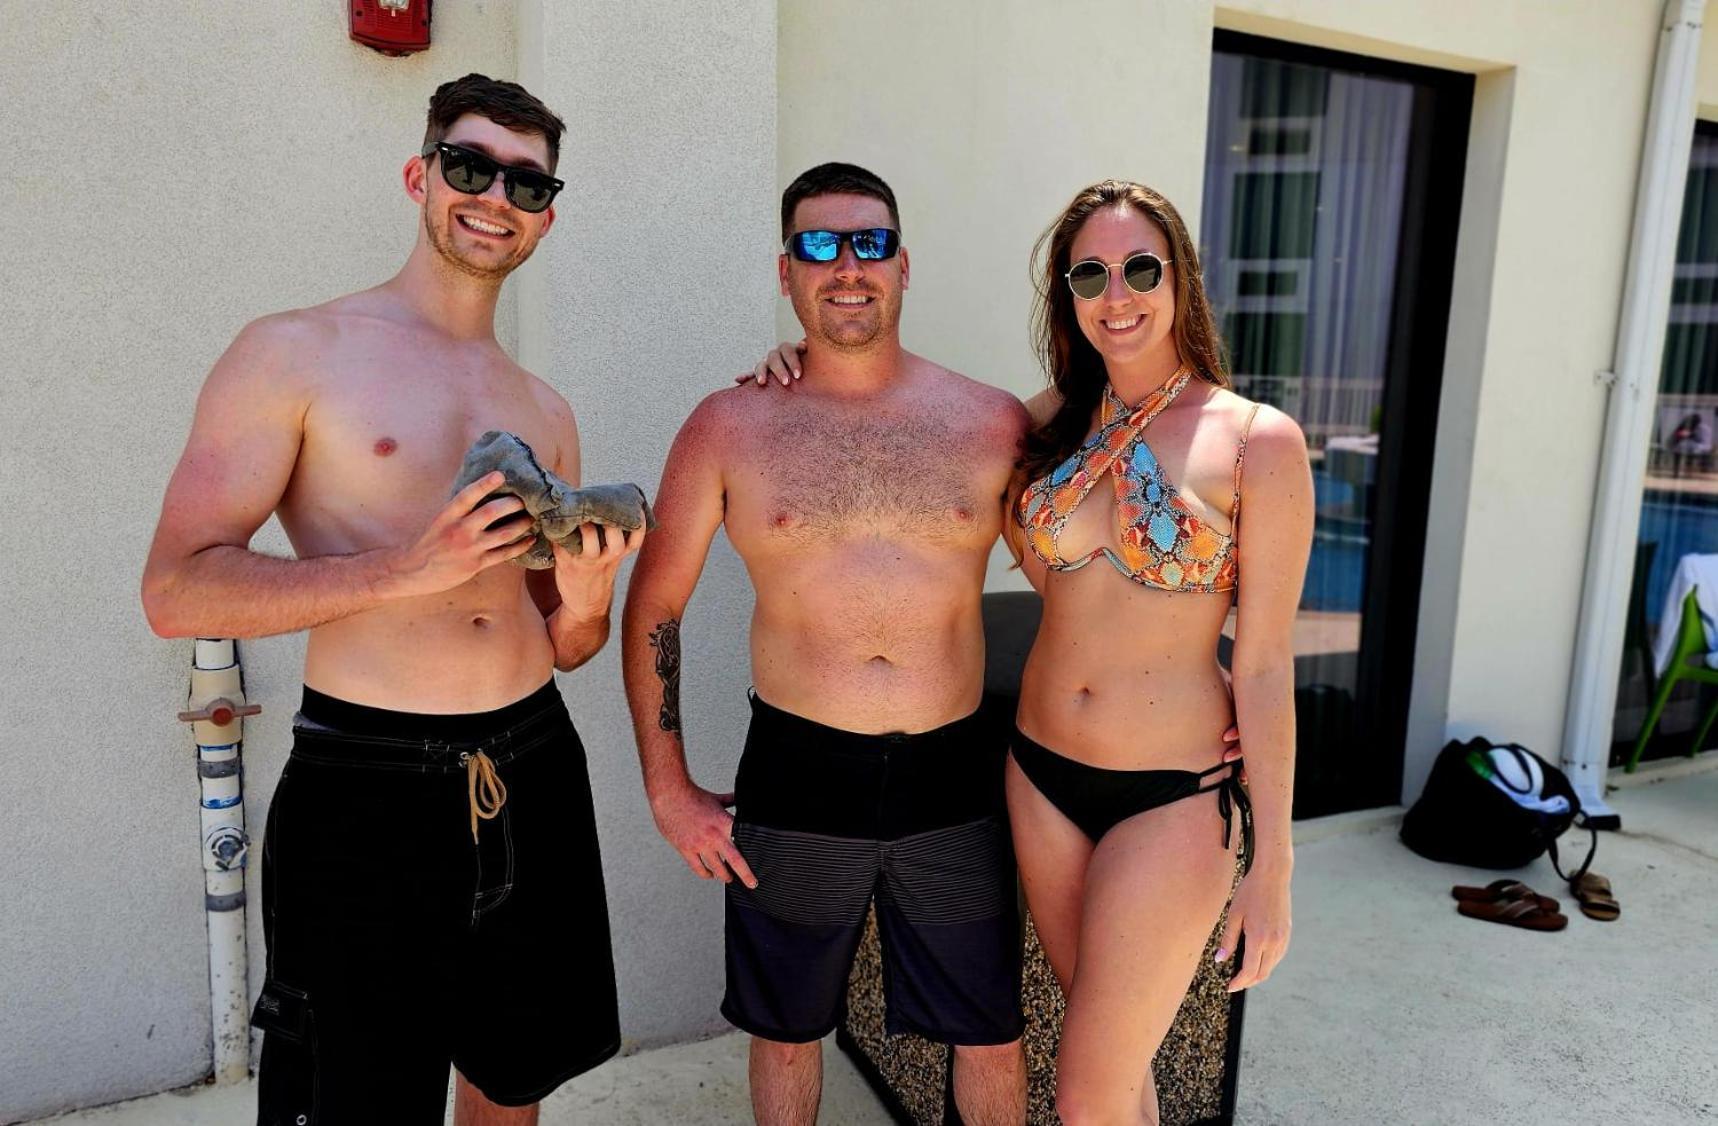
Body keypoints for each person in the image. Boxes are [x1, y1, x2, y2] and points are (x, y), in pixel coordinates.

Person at [141, 74, 641, 1125]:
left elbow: (565, 639)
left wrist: (589, 598)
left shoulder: (541, 409)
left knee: (513, 1078)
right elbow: (177, 587)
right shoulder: (295, 351)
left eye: (527, 182)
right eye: (469, 166)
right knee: (360, 1097)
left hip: (531, 759)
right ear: (421, 176)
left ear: (545, 216)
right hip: (368, 779)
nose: (494, 196)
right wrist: (401, 571)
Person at [622, 163, 1031, 1126]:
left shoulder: (990, 421)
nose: (846, 265)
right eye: (819, 244)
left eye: (868, 242)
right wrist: (667, 786)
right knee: (787, 1024)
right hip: (799, 767)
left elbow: (1074, 584)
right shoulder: (731, 424)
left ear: (902, 263)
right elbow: (654, 608)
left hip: (953, 773)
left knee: (990, 1028)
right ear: (786, 270)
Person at [1006, 180, 1310, 1124]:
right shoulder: (1048, 421)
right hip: (1041, 776)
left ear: (1181, 280)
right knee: (1115, 1069)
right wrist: (796, 362)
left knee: (1085, 1092)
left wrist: (1274, 869)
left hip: (1171, 797)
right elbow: (1031, 556)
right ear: (1067, 293)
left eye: (1140, 268)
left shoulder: (1259, 440)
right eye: (1090, 273)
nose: (1117, 293)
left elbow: (1261, 662)